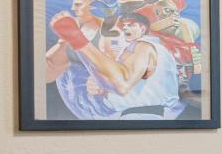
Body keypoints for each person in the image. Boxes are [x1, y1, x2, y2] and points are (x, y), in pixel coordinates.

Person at [49, 10, 183, 119]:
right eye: (124, 24)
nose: (125, 27)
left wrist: (75, 37)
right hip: (133, 118)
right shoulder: (131, 52)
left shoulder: (145, 45)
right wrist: (104, 88)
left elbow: (122, 83)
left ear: (143, 29)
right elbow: (123, 83)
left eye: (131, 24)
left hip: (143, 118)